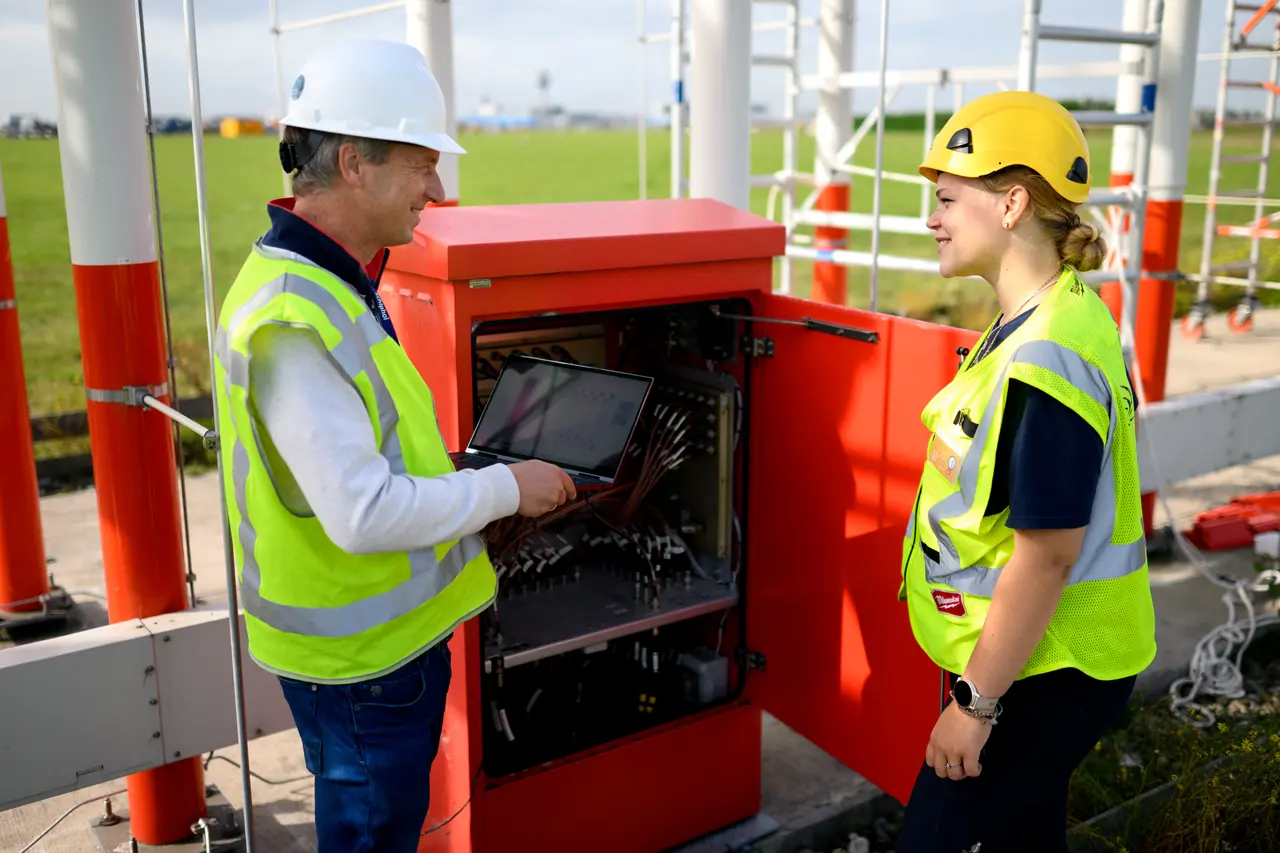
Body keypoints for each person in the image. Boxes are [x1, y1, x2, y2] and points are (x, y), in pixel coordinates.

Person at [212, 39, 576, 853]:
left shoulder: (332, 281)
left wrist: (457, 473)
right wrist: (507, 487)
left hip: (371, 659)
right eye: (421, 165)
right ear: (353, 163)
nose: (437, 189)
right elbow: (363, 512)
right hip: (363, 670)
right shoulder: (293, 318)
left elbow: (359, 457)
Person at [894, 90, 1156, 853]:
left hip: (1045, 671)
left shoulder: (1047, 352)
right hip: (1032, 660)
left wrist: (974, 705)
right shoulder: (1049, 314)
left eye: (946, 199)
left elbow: (1047, 554)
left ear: (1010, 205)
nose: (931, 218)